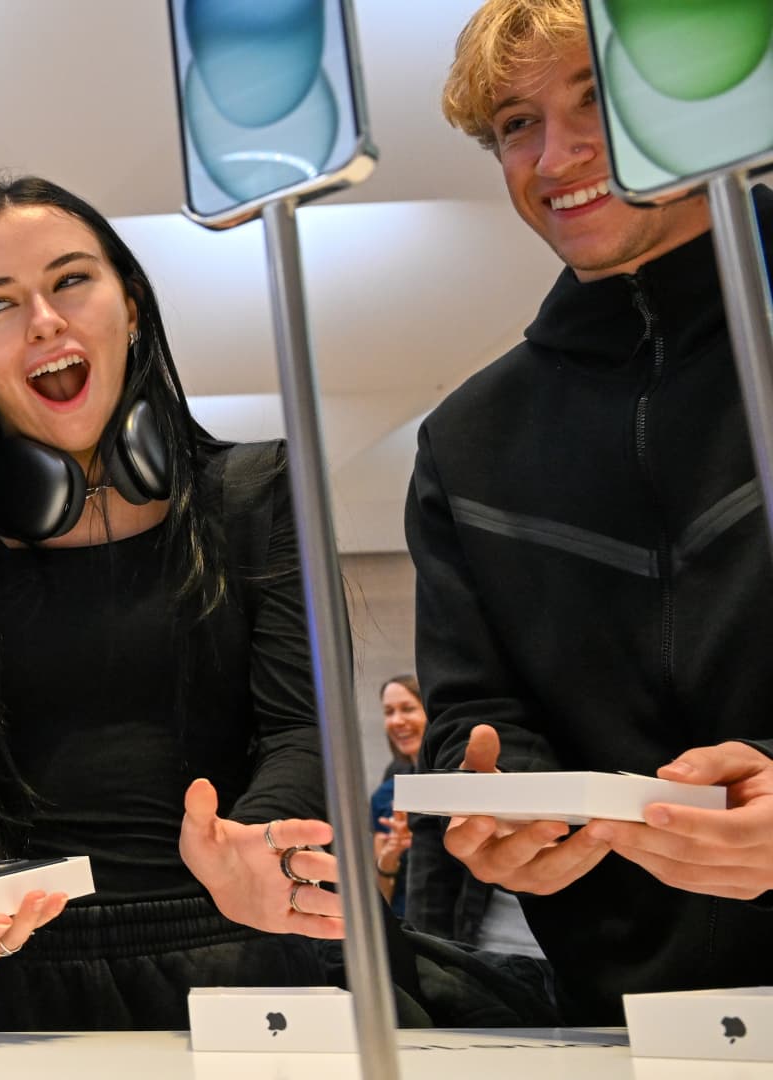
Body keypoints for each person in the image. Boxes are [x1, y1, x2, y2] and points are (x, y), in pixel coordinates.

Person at [0, 175, 342, 1032]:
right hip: (7, 976)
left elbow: (302, 727)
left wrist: (255, 846)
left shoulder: (262, 491)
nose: (45, 319)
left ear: (133, 307)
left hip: (240, 953)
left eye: (71, 280)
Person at [410, 0, 773, 1024]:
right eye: (517, 124)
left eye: (597, 102)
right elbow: (473, 716)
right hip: (632, 1024)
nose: (557, 155)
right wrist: (500, 806)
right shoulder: (469, 442)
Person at [369, 675, 424, 912]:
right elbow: (382, 898)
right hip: (405, 921)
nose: (397, 721)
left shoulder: (459, 784)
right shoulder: (385, 795)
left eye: (408, 709)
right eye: (389, 712)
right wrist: (390, 856)